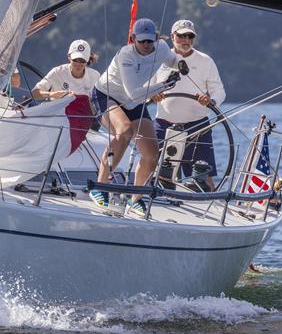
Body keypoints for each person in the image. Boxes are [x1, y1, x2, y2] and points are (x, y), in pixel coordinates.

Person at [88, 18, 187, 216]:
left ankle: (136, 199)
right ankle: (100, 186)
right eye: (142, 41)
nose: (146, 45)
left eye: (150, 41)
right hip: (107, 96)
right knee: (124, 131)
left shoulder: (161, 48)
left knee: (152, 153)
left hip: (134, 102)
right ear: (133, 39)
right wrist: (165, 84)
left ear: (156, 39)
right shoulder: (126, 56)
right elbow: (134, 93)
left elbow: (172, 59)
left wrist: (181, 63)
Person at [151, 19, 226, 191]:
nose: (186, 40)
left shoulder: (205, 61)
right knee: (156, 171)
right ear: (172, 37)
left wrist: (211, 101)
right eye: (181, 36)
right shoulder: (159, 58)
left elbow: (220, 91)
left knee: (204, 179)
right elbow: (146, 87)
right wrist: (152, 94)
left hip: (198, 125)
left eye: (190, 36)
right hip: (164, 123)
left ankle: (212, 209)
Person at [32, 39, 101, 101]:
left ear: (88, 59)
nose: (78, 63)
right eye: (75, 59)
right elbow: (34, 93)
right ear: (69, 56)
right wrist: (51, 94)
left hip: (83, 114)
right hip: (56, 113)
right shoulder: (57, 72)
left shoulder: (95, 76)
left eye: (82, 60)